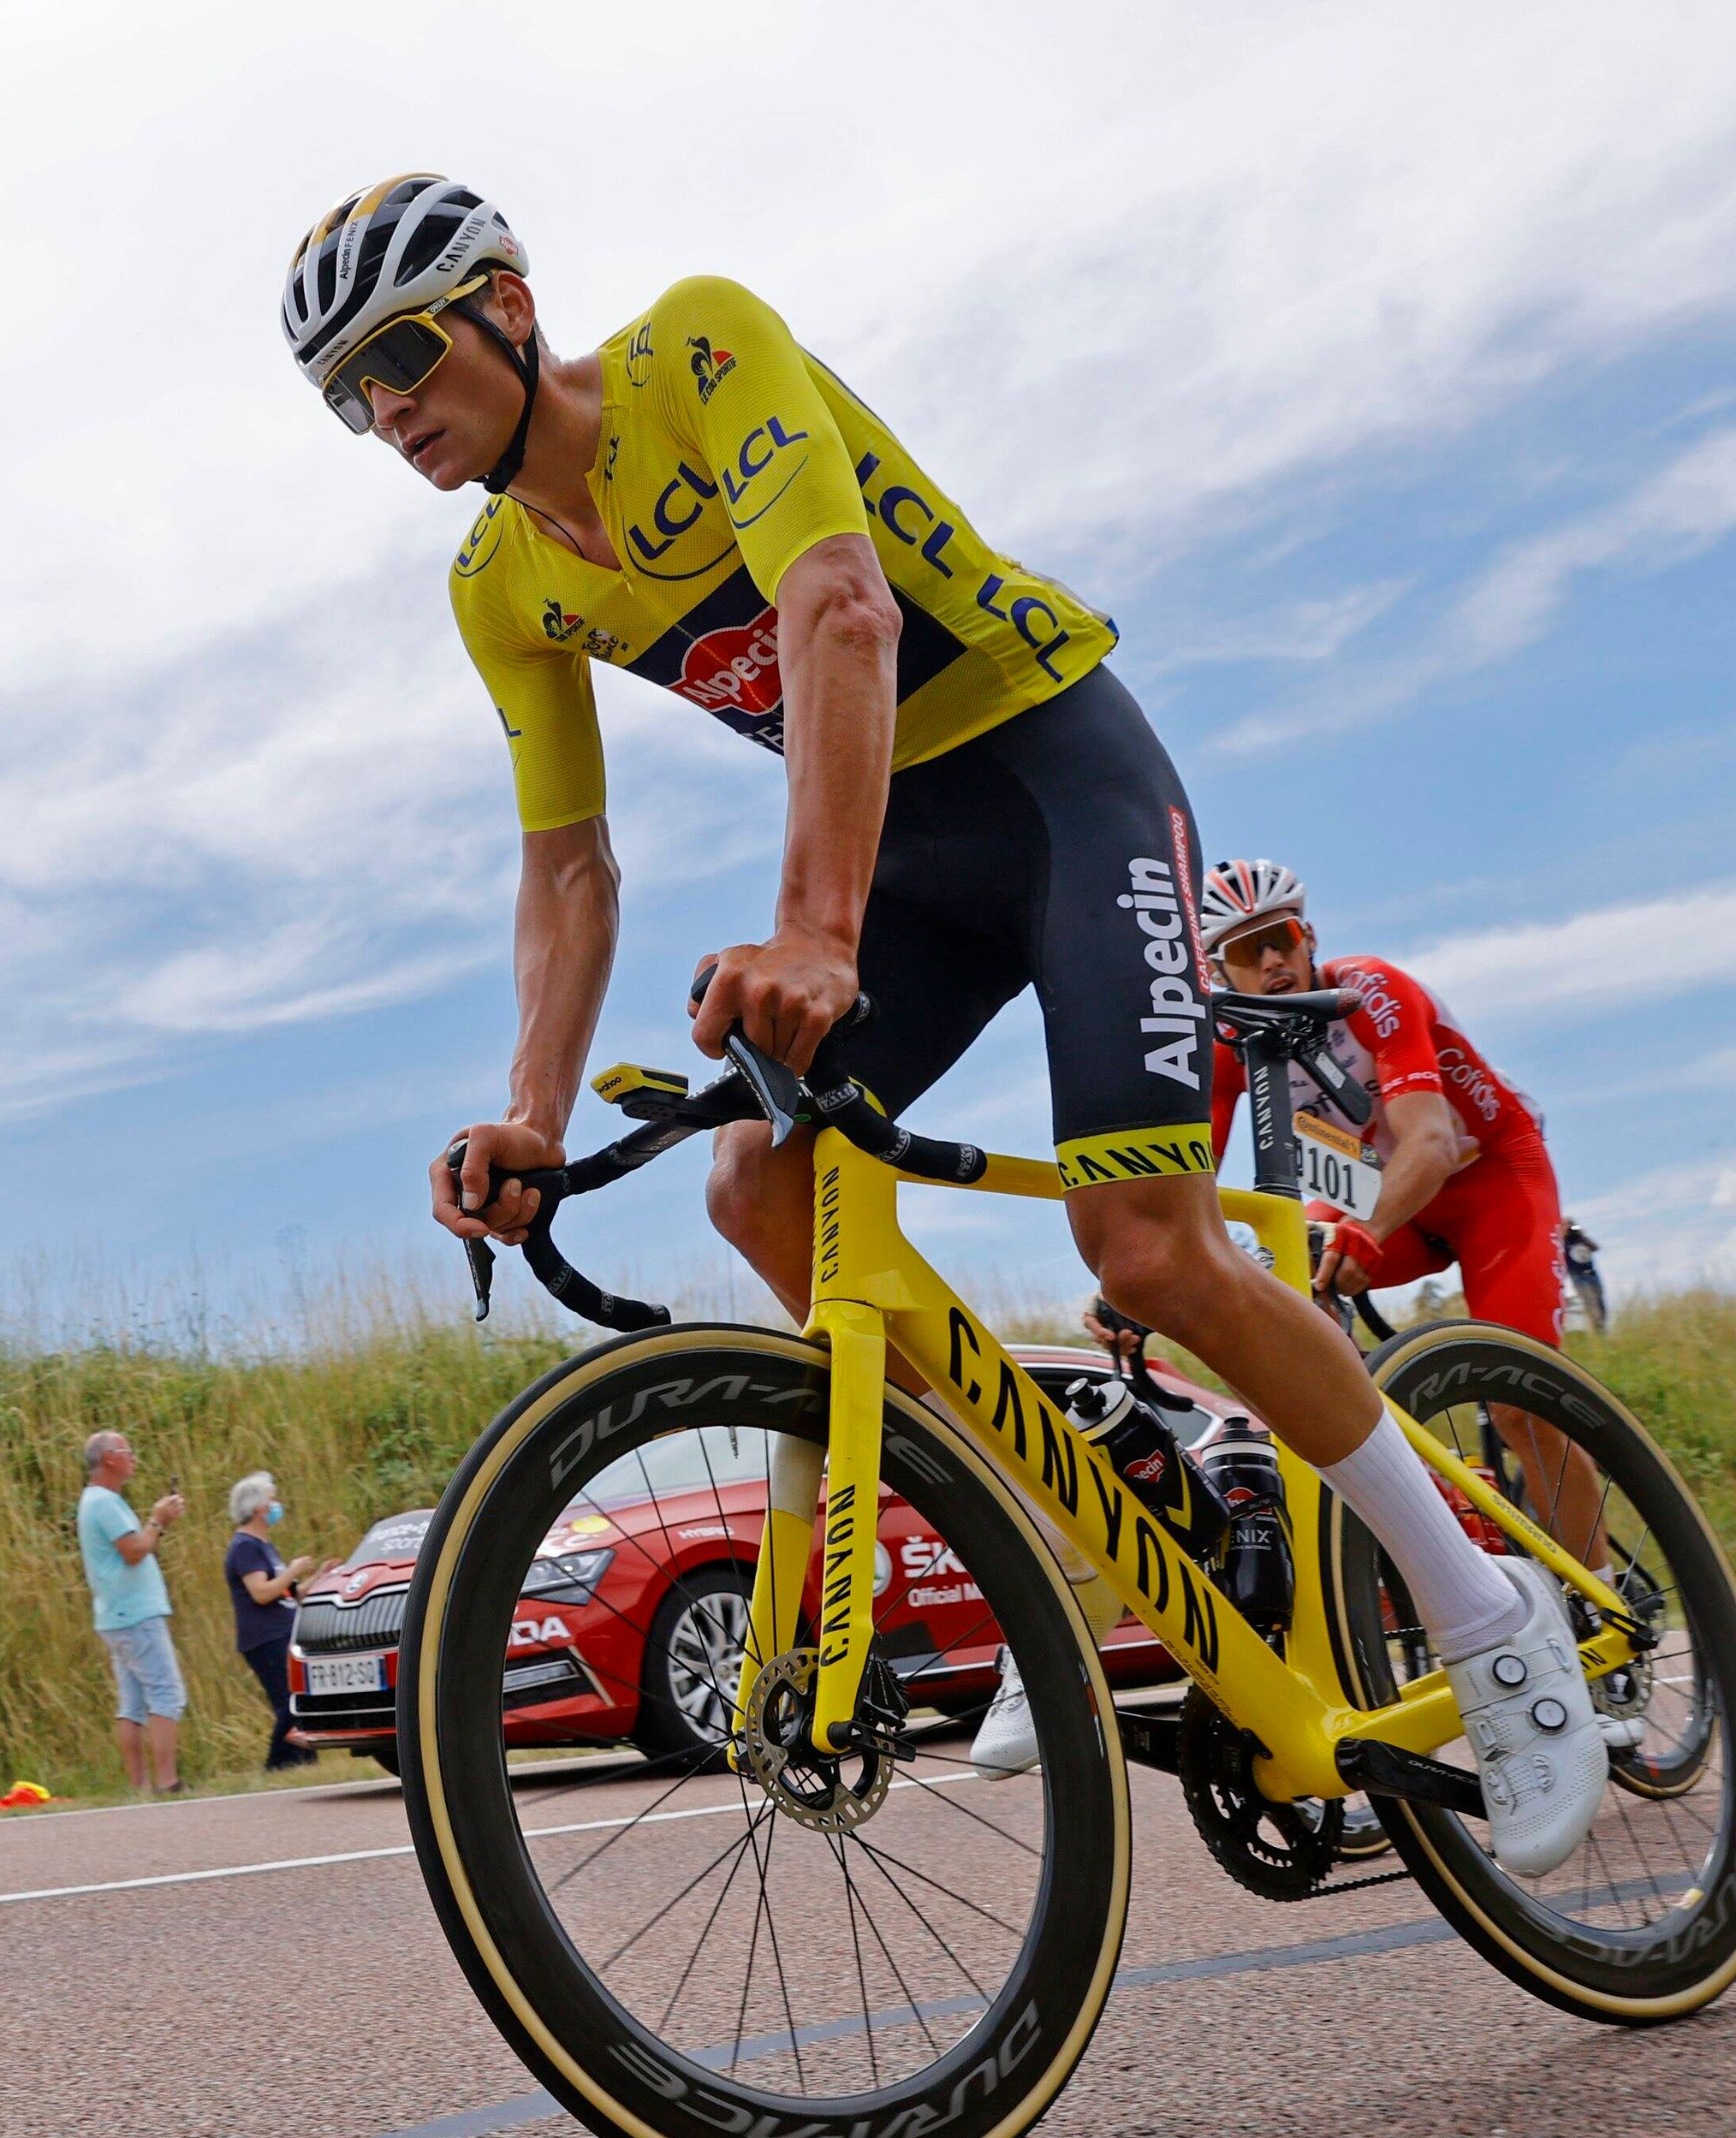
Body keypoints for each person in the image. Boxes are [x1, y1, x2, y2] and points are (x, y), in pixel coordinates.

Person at [285, 175, 1602, 1874]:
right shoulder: (500, 582)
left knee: (1134, 1237)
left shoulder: (697, 346)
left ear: (507, 310)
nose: (384, 406)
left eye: (400, 352)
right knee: (753, 1186)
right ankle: (1081, 1521)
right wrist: (531, 1110)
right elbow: (566, 859)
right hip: (908, 859)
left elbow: (839, 606)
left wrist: (814, 932)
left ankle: (1484, 1608)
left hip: (1061, 785)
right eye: (344, 393)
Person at [1193, 861, 1614, 1587]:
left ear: (1309, 936)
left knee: (1520, 1405)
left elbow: (1431, 1144)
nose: (1269, 960)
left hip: (1486, 1177)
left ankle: (1599, 1597)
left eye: (1280, 937)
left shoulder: (1372, 989)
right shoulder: (1233, 1046)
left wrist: (1370, 1230)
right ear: (1219, 971)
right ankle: (1397, 1482)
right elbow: (1187, 1175)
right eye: (1243, 950)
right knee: (1277, 1297)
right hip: (1372, 1189)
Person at [76, 1429, 188, 1796]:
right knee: (166, 1694)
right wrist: (158, 1520)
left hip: (116, 1615)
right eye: (128, 1451)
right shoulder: (105, 1503)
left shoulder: (95, 1501)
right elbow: (135, 1550)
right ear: (109, 1458)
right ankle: (167, 1782)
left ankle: (139, 1786)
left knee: (133, 1703)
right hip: (135, 1614)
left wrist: (156, 1523)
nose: (133, 1458)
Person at [223, 1473, 320, 1770]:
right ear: (257, 1508)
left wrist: (320, 1577)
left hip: (284, 1630)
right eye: (271, 1500)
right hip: (265, 1637)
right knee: (289, 1701)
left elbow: (289, 1594)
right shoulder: (245, 1547)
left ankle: (302, 1761)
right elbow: (261, 1593)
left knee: (299, 1699)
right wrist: (292, 1570)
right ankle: (279, 1762)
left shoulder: (264, 1545)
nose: (277, 1506)